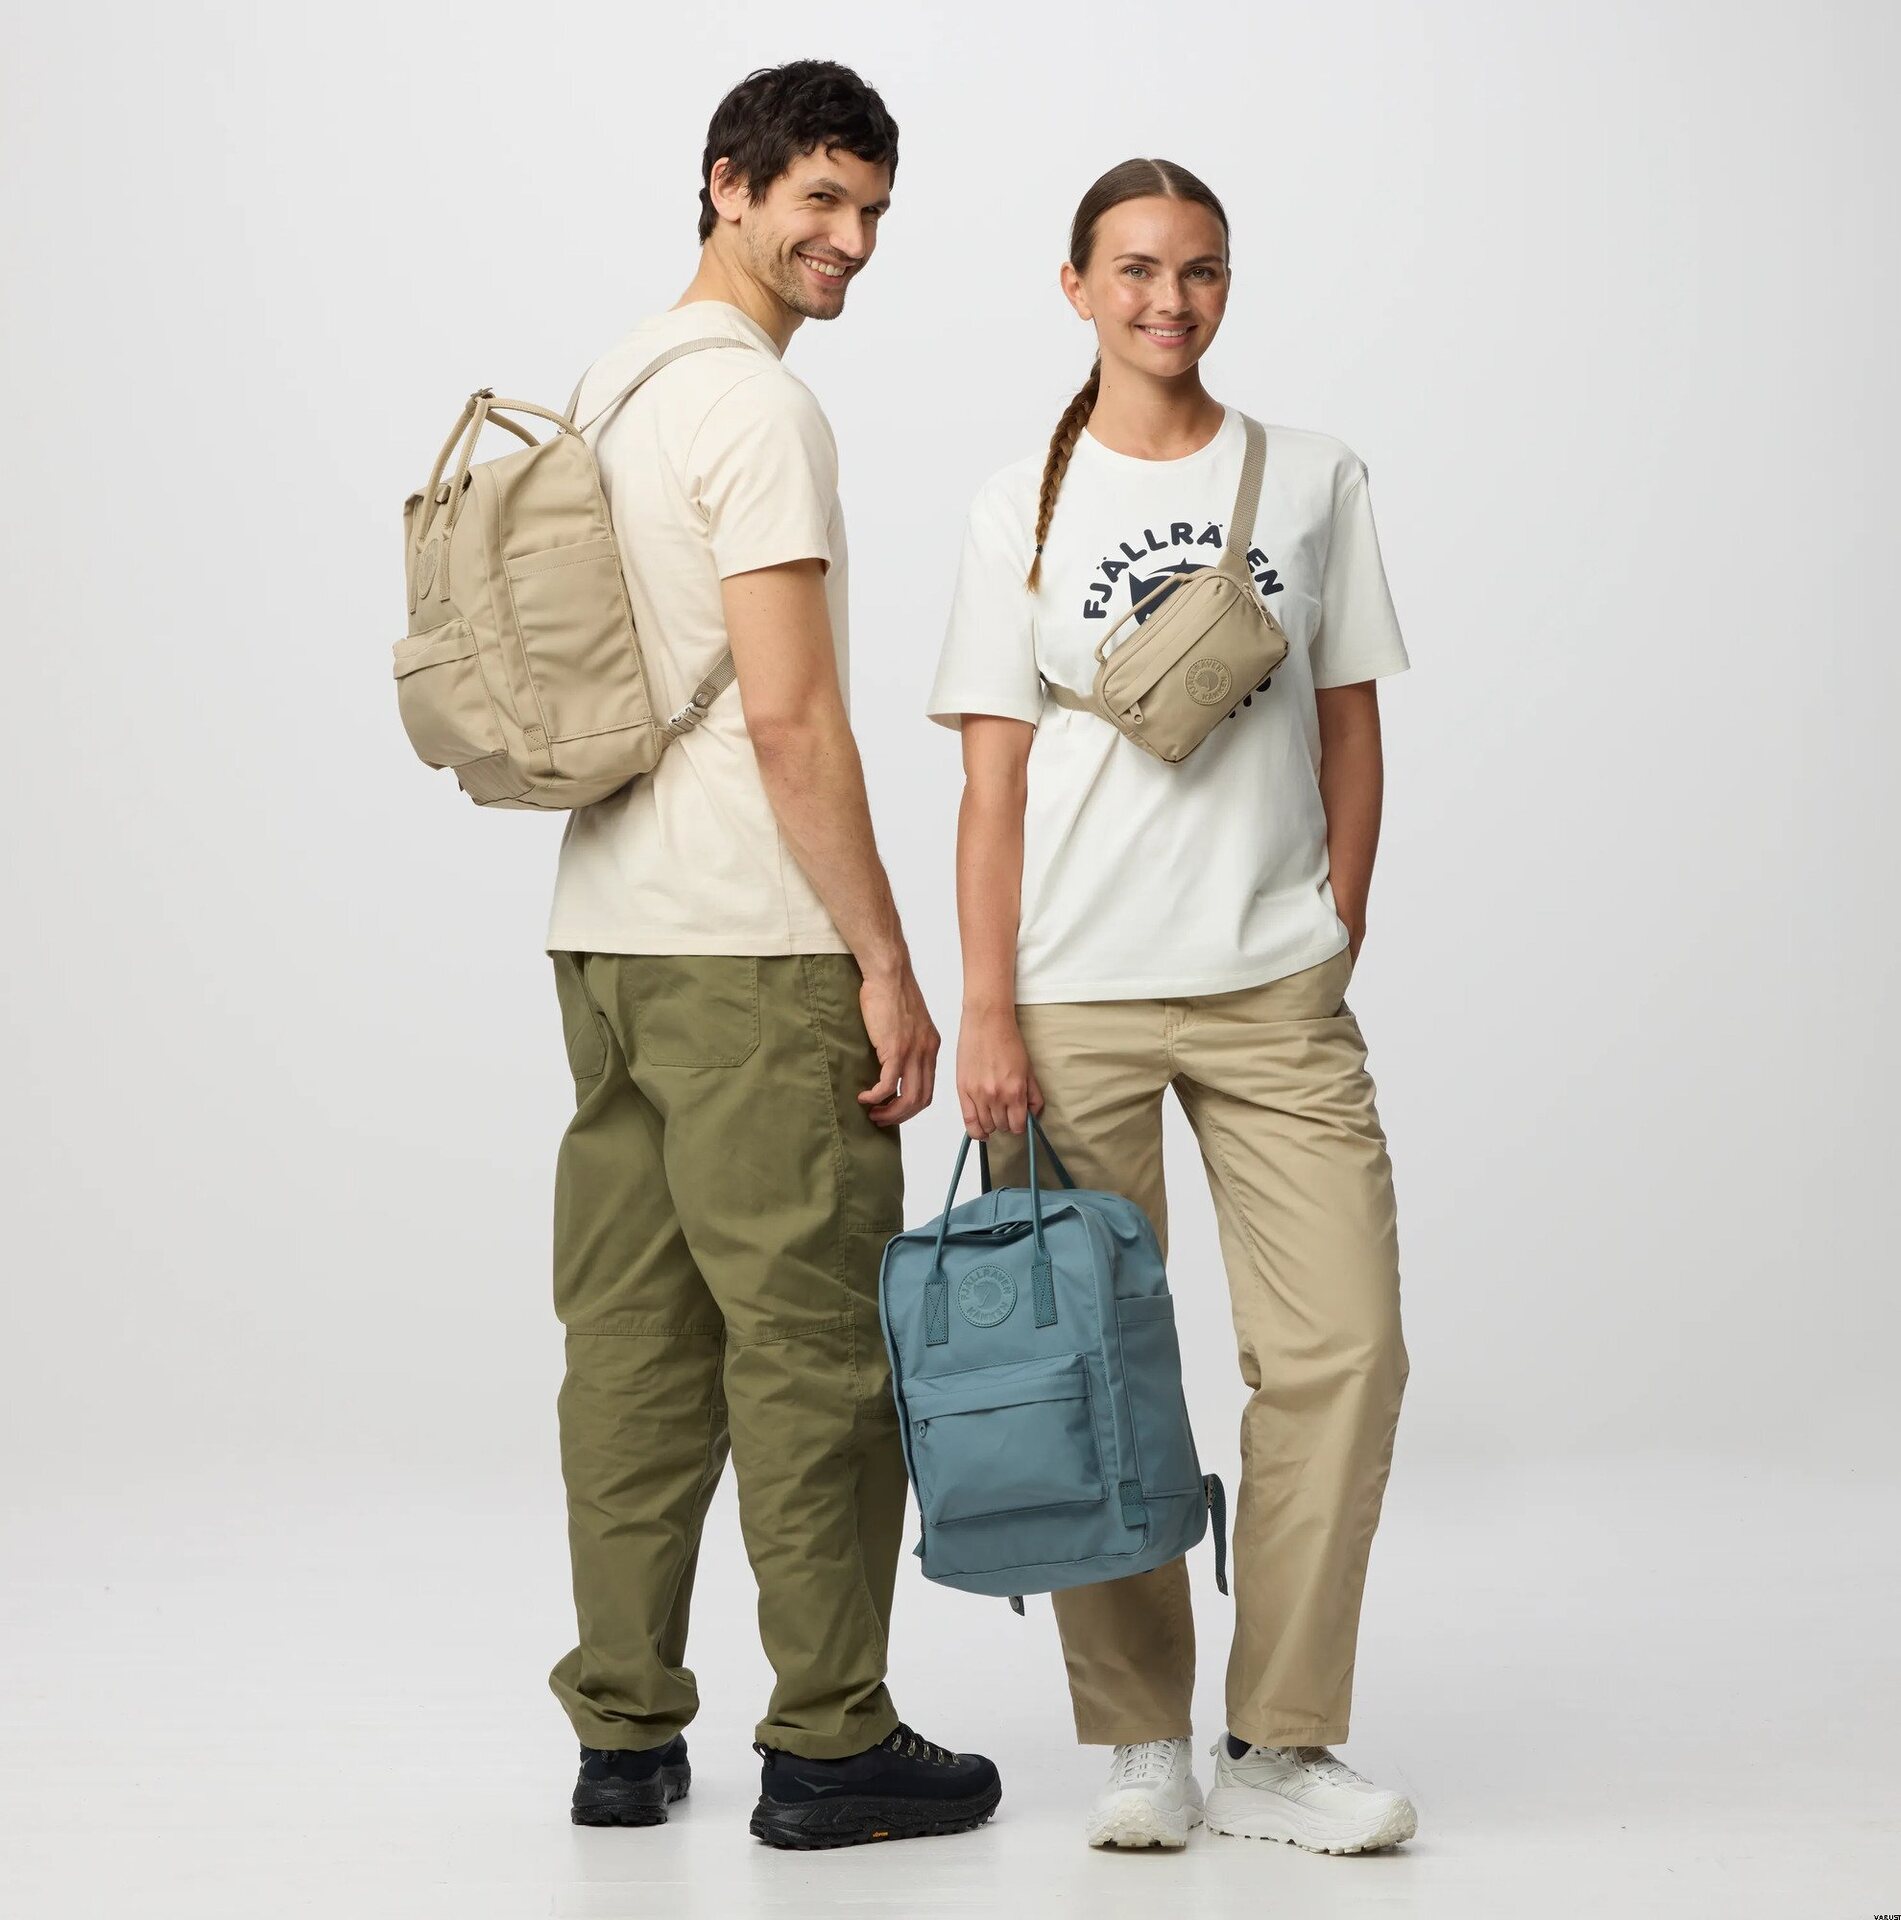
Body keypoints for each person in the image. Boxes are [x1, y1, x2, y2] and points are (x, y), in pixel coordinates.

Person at [926, 157, 1417, 1855]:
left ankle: (1283, 1739)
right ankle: (1143, 1736)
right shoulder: (1019, 504)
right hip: (1071, 993)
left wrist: (1338, 921)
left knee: (1344, 1350)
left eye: (1198, 269)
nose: (1169, 299)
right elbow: (992, 783)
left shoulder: (1314, 474)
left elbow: (1349, 719)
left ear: (1227, 284)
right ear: (1075, 287)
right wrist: (987, 1009)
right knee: (1094, 1371)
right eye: (1134, 269)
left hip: (1273, 990)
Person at [546, 61, 998, 1849]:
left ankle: (621, 1738)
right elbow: (795, 723)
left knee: (634, 1356)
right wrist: (883, 958)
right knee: (812, 1355)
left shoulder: (608, 387)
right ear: (725, 185)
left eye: (872, 210)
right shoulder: (756, 409)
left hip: (605, 938)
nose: (851, 241)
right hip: (750, 948)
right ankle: (829, 1744)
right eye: (819, 198)